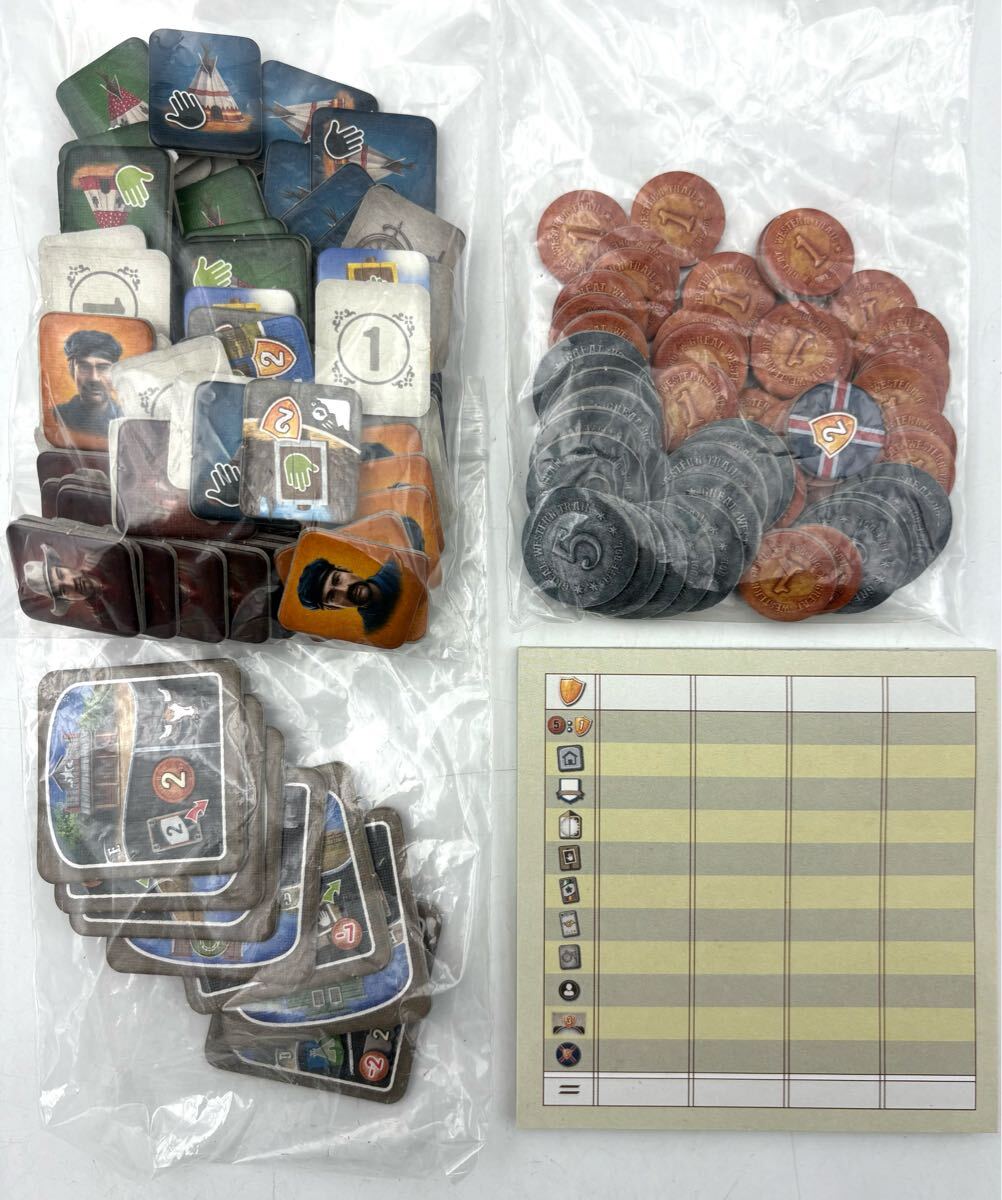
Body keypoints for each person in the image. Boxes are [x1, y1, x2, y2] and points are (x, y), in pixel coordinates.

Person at [296, 556, 402, 633]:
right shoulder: (375, 630)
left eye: (337, 579)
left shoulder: (398, 565)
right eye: (332, 596)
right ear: (334, 608)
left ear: (345, 570)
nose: (345, 589)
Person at [54, 329, 124, 438]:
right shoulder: (56, 416)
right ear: (72, 371)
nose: (94, 378)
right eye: (84, 367)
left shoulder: (125, 419)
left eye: (103, 368)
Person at [22, 542, 100, 616]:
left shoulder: (98, 557)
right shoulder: (101, 615)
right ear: (70, 601)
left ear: (65, 567)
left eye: (61, 574)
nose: (71, 583)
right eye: (63, 591)